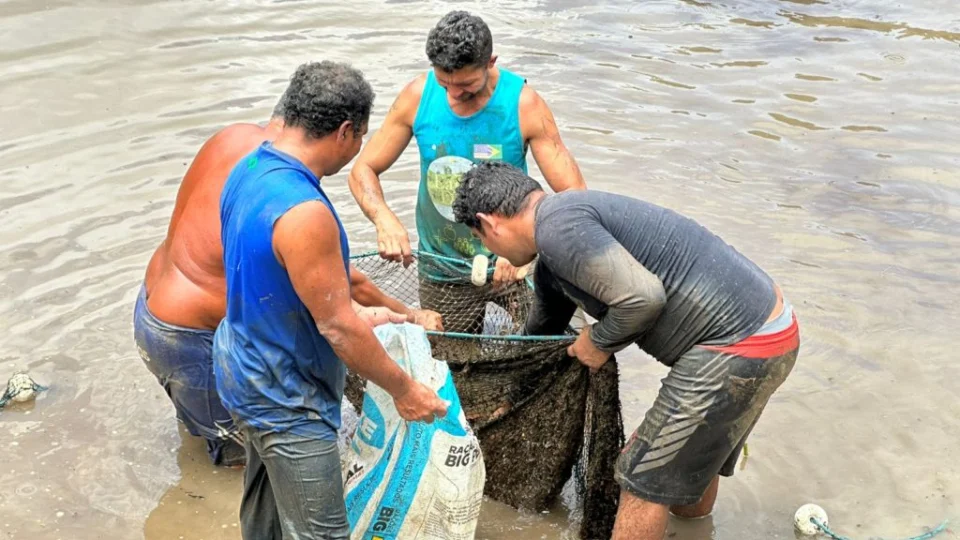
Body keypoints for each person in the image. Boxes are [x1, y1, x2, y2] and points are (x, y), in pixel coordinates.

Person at [452, 162, 800, 540]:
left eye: (480, 238)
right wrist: (510, 399)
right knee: (688, 468)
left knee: (640, 481)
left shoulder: (557, 229)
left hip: (737, 346)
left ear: (490, 223)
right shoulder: (559, 236)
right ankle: (694, 532)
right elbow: (541, 333)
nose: (487, 248)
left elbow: (644, 299)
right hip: (775, 331)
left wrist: (598, 341)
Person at [135, 88, 440, 468]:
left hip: (152, 306)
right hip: (189, 337)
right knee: (246, 459)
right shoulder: (283, 190)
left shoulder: (235, 141)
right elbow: (345, 291)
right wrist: (409, 315)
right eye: (359, 136)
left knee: (206, 431)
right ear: (340, 133)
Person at [213, 61, 449, 539]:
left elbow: (284, 280)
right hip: (285, 398)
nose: (359, 147)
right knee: (321, 534)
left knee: (266, 515)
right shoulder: (305, 212)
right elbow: (338, 328)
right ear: (346, 132)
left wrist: (378, 313)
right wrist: (405, 390)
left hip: (240, 365)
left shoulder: (250, 167)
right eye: (361, 137)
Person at [348, 10, 586, 332]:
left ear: (490, 62)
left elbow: (575, 198)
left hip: (515, 265)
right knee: (453, 362)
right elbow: (363, 168)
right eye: (444, 83)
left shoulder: (523, 105)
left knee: (564, 342)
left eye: (465, 85)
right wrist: (383, 219)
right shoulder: (417, 97)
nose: (453, 95)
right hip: (443, 267)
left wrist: (527, 251)